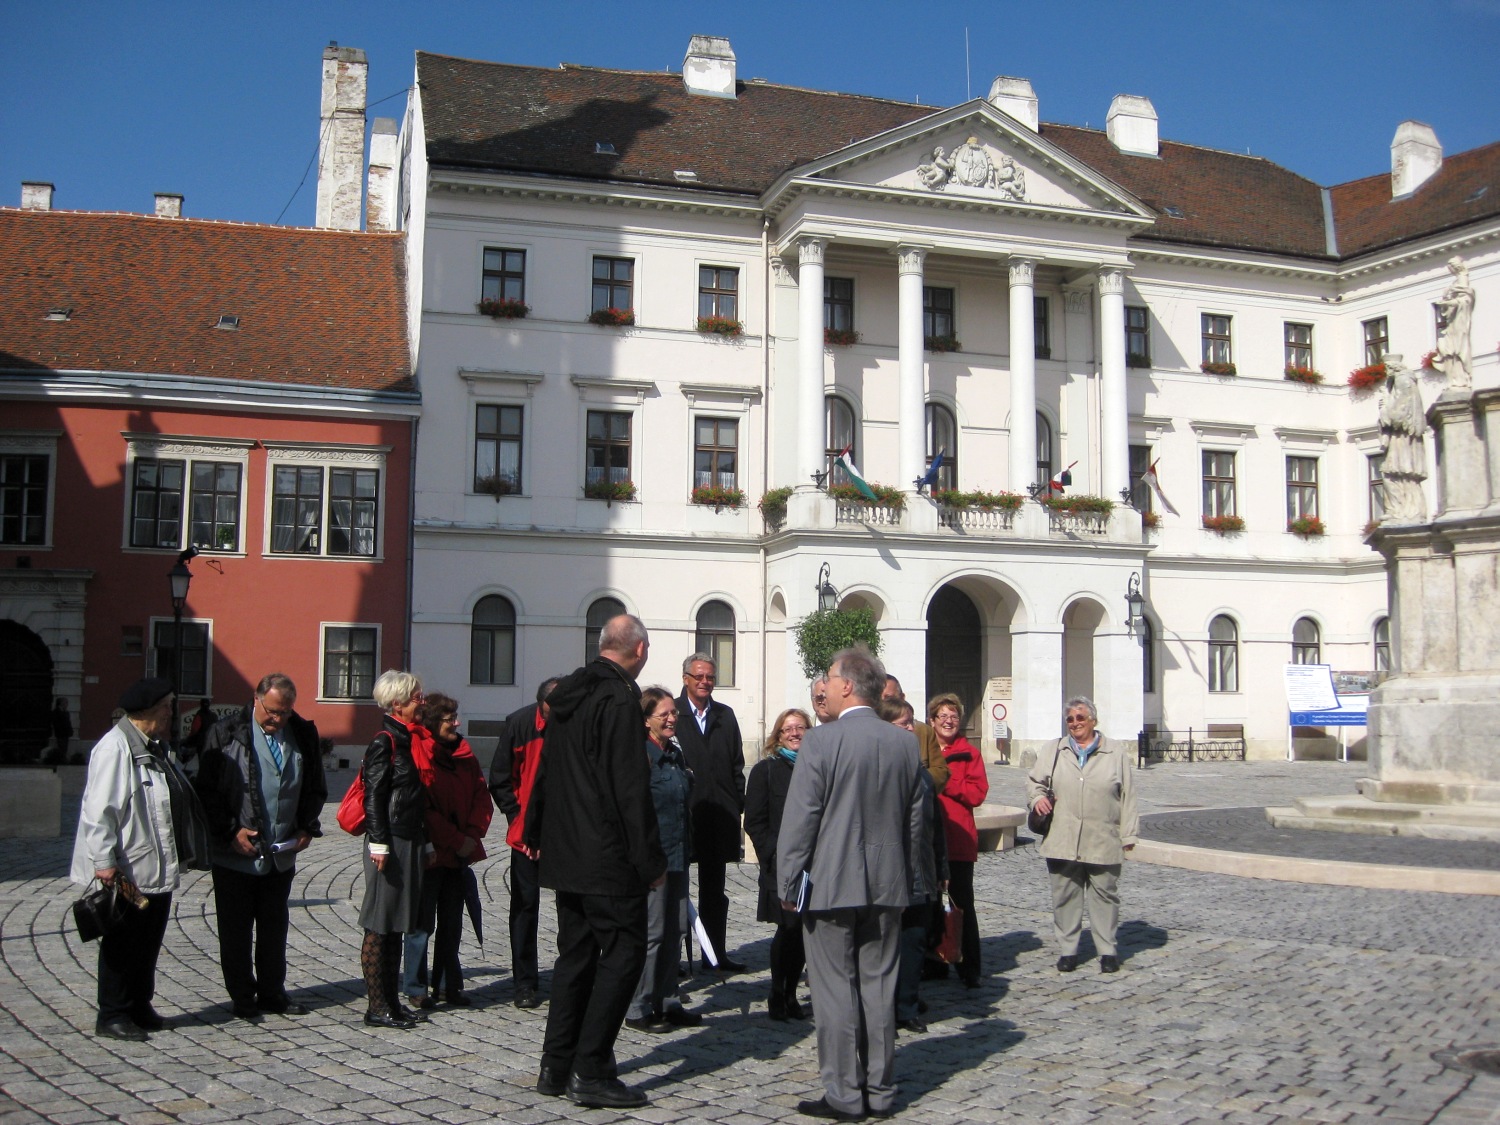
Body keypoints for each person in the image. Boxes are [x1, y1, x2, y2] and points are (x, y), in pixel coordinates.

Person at [777, 646, 926, 1121]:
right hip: (888, 884)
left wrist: (787, 883)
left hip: (829, 885)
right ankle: (880, 1091)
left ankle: (844, 1093)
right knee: (880, 988)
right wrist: (910, 879)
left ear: (846, 686)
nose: (823, 687)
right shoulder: (905, 743)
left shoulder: (821, 742)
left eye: (828, 679)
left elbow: (800, 821)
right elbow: (914, 823)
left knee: (834, 989)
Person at [524, 614, 665, 1110]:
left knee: (577, 956)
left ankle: (555, 1064)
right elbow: (629, 787)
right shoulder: (620, 698)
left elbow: (545, 768)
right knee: (625, 951)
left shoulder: (569, 693)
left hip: (567, 850)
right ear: (640, 649)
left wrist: (537, 830)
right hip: (606, 853)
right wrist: (650, 859)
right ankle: (592, 1067)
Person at [194, 673, 327, 1020]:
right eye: (271, 711)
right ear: (256, 700)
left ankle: (272, 992)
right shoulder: (225, 732)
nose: (277, 719)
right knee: (235, 930)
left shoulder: (301, 732)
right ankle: (242, 997)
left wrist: (305, 827)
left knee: (274, 926)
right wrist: (230, 831)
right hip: (234, 853)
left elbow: (314, 785)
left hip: (280, 853)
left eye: (284, 713)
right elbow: (207, 792)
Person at [70, 678, 187, 1041]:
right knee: (122, 941)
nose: (171, 712)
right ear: (148, 711)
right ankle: (113, 1013)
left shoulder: (154, 747)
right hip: (125, 869)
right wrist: (104, 863)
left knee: (149, 938)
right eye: (166, 706)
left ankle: (139, 1004)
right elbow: (98, 812)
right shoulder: (115, 748)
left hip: (153, 865)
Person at [1026, 696, 1138, 974]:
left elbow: (1128, 796)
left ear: (1093, 721)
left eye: (1080, 717)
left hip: (1103, 835)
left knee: (1105, 895)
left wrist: (1129, 835)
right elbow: (1034, 783)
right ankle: (1068, 950)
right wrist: (1037, 799)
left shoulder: (1115, 752)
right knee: (1064, 895)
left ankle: (1107, 950)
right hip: (1062, 836)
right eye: (1070, 719)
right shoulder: (1054, 749)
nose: (1075, 723)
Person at [403, 692, 492, 1008]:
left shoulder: (465, 754)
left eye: (456, 717)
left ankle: (447, 985)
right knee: (420, 925)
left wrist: (471, 835)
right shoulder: (419, 753)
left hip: (458, 856)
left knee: (452, 924)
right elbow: (422, 808)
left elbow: (482, 797)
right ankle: (415, 987)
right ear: (432, 721)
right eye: (449, 718)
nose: (456, 723)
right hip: (430, 854)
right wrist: (457, 839)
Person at [357, 670, 432, 1029]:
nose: (423, 702)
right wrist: (380, 843)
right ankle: (376, 1006)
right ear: (397, 704)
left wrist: (426, 840)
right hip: (390, 841)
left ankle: (391, 1002)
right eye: (417, 697)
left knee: (397, 924)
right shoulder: (384, 741)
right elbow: (374, 797)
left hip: (410, 837)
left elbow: (417, 797)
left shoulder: (408, 740)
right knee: (379, 925)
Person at [625, 687, 702, 1032]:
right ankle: (639, 1007)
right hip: (653, 861)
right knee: (653, 934)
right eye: (664, 714)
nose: (672, 719)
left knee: (676, 931)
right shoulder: (639, 757)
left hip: (678, 856)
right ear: (646, 720)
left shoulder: (674, 753)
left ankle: (668, 1000)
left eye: (674, 713)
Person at [488, 675, 562, 1010]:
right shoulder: (519, 724)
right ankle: (525, 983)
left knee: (571, 910)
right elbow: (500, 780)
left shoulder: (572, 725)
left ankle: (568, 977)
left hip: (564, 835)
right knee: (525, 909)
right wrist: (519, 821)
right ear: (542, 703)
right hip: (525, 837)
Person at [674, 652, 746, 973]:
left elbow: (736, 767)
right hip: (683, 819)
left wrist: (736, 804)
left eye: (710, 677)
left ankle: (714, 954)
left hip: (718, 817)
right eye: (699, 676)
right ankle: (672, 960)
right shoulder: (672, 715)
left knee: (715, 892)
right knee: (675, 891)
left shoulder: (725, 715)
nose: (705, 682)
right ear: (686, 678)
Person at [878, 697, 947, 1033]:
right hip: (888, 875)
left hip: (920, 874)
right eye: (903, 723)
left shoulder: (921, 774)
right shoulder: (875, 770)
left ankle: (906, 1005)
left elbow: (935, 828)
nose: (910, 729)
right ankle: (881, 1007)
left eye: (911, 722)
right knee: (883, 944)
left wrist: (941, 871)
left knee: (914, 941)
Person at [743, 708, 811, 1021]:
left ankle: (791, 994)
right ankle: (778, 991)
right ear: (778, 736)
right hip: (780, 865)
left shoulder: (816, 768)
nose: (795, 733)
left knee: (803, 932)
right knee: (788, 928)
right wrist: (770, 853)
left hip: (814, 864)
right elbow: (754, 820)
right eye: (788, 729)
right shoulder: (765, 770)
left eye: (801, 727)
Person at [929, 693, 988, 989]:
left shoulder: (969, 753)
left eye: (954, 716)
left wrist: (946, 779)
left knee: (962, 905)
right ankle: (934, 961)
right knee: (928, 905)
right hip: (927, 840)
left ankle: (969, 966)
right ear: (932, 721)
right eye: (943, 716)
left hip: (958, 839)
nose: (949, 721)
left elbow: (977, 794)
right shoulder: (924, 752)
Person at [881, 675, 950, 792]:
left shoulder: (923, 732)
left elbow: (941, 771)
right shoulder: (866, 732)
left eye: (889, 698)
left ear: (902, 697)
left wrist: (914, 780)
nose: (882, 702)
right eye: (877, 698)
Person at [179, 697, 215, 764]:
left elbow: (195, 729)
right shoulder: (213, 716)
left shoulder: (200, 715)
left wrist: (189, 738)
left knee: (202, 759)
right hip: (212, 742)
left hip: (201, 742)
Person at [48, 697, 74, 762]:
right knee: (61, 748)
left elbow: (68, 722)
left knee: (65, 748)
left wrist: (70, 731)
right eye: (65, 702)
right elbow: (56, 723)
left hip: (66, 734)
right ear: (61, 703)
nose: (67, 704)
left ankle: (63, 759)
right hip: (60, 734)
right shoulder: (56, 712)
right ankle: (61, 760)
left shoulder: (66, 712)